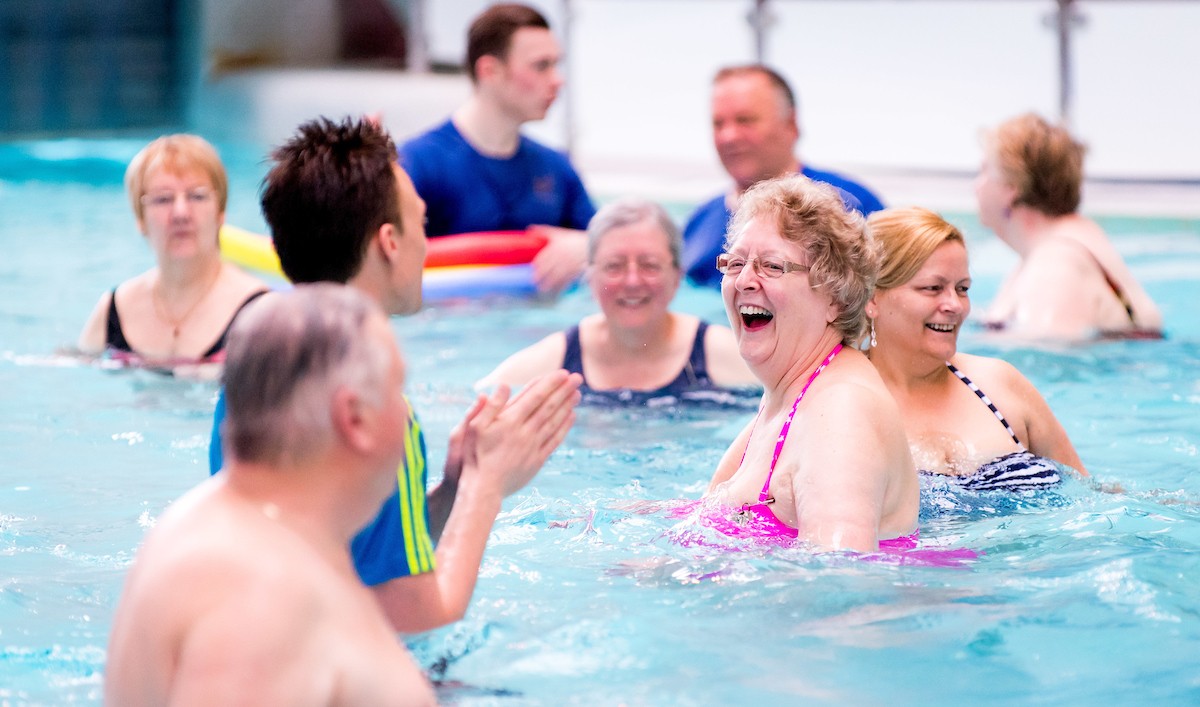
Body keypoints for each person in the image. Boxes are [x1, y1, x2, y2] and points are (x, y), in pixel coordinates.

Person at [208, 116, 583, 633]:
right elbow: (421, 618)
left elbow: (357, 554)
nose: (427, 246)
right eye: (421, 224)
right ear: (389, 242)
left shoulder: (250, 373)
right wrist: (487, 487)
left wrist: (453, 488)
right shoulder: (378, 407)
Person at [106, 285, 436, 705]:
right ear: (354, 418)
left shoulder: (207, 527)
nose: (407, 411)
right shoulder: (267, 597)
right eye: (397, 388)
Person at [701, 175, 917, 552]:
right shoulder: (786, 398)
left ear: (834, 297)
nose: (745, 281)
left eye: (771, 266)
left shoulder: (840, 411)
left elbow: (838, 579)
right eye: (736, 263)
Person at [864, 207, 1088, 490]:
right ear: (872, 298)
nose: (955, 306)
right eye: (933, 288)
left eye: (962, 289)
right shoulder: (842, 399)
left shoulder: (999, 383)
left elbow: (1087, 492)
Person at [399, 3, 596, 296]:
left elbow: (612, 243)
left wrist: (590, 245)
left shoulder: (555, 168)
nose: (558, 80)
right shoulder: (419, 165)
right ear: (490, 70)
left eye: (557, 64)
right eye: (541, 66)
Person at [478, 198, 758, 404]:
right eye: (614, 266)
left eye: (649, 265)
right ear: (590, 277)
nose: (632, 281)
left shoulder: (727, 357)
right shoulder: (550, 364)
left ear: (677, 276)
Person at [77, 134, 269, 372]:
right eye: (163, 199)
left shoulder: (259, 312)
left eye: (197, 196)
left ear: (221, 212)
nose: (180, 213)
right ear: (140, 219)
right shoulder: (114, 310)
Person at [682, 65, 885, 289]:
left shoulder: (850, 206)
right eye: (718, 124)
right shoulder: (698, 223)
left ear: (791, 124)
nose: (729, 136)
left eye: (745, 120)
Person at [976, 112, 1163, 340]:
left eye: (985, 170)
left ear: (1012, 187)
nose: (976, 186)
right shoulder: (1059, 247)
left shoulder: (1055, 265)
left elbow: (1047, 361)